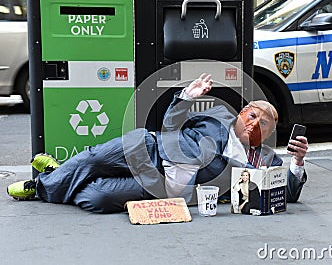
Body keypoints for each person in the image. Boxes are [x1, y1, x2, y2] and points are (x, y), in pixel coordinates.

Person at [7, 73, 309, 213]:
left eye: (264, 123)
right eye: (253, 115)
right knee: (93, 160)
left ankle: (58, 173)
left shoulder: (267, 160)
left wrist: (297, 163)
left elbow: (289, 195)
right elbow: (170, 125)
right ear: (242, 114)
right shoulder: (216, 117)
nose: (256, 123)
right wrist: (187, 97)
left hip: (159, 187)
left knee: (95, 199)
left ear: (269, 133)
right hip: (149, 148)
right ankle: (39, 187)